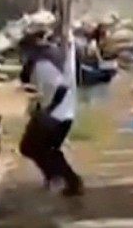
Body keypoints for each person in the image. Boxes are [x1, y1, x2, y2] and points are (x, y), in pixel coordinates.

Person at [19, 31, 83, 196]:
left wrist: (48, 110)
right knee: (44, 149)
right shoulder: (46, 61)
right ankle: (62, 179)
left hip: (57, 115)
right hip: (63, 113)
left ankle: (65, 179)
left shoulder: (42, 65)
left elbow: (61, 87)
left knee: (32, 147)